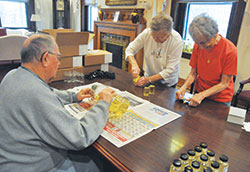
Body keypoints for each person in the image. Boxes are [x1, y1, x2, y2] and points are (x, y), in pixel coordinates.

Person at [0, 34, 116, 172]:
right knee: (97, 163)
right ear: (45, 58)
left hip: (13, 159)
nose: (59, 63)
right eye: (58, 57)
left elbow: (47, 93)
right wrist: (102, 104)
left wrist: (74, 96)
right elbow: (80, 136)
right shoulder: (36, 94)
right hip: (33, 167)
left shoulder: (12, 75)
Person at [176, 13, 237, 107]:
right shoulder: (198, 46)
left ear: (215, 34)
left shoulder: (230, 50)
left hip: (220, 99)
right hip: (200, 91)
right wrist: (183, 87)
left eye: (204, 43)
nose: (201, 47)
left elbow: (224, 83)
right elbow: (193, 73)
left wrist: (202, 95)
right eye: (198, 43)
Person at [125, 12, 183, 87]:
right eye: (154, 36)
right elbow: (130, 49)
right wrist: (134, 64)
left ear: (168, 33)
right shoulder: (147, 33)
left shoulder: (176, 40)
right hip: (149, 76)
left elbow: (170, 70)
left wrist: (148, 79)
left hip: (168, 82)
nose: (156, 40)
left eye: (160, 37)